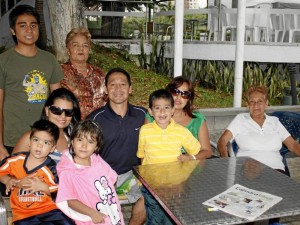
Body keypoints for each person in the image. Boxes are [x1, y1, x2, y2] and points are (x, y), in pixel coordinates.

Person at [0, 4, 63, 160]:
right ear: (13, 30)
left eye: (33, 25)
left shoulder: (49, 59)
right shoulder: (3, 61)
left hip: (44, 140)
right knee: (12, 183)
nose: (29, 30)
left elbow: (58, 104)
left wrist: (60, 137)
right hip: (11, 140)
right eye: (22, 25)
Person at [89, 67, 147, 225]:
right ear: (106, 89)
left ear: (130, 88)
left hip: (135, 176)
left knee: (150, 201)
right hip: (104, 177)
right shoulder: (95, 118)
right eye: (113, 84)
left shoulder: (143, 115)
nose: (118, 89)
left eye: (123, 84)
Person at [137, 89, 201, 225]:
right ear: (150, 111)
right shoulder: (145, 130)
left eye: (166, 108)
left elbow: (196, 149)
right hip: (152, 185)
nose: (162, 112)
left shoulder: (181, 132)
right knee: (154, 218)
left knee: (171, 218)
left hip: (174, 184)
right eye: (157, 108)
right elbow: (142, 156)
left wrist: (187, 157)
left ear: (172, 110)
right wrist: (144, 179)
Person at [0, 119, 74, 225]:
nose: (39, 146)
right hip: (23, 215)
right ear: (29, 142)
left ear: (52, 148)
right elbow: (1, 171)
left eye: (46, 143)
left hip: (50, 212)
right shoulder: (15, 160)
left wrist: (43, 187)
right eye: (36, 140)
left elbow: (61, 192)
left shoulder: (52, 168)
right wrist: (8, 180)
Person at [217, 85, 300, 174]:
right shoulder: (240, 119)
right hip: (248, 170)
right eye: (252, 102)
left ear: (266, 103)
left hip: (275, 170)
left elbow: (293, 145)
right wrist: (226, 161)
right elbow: (222, 141)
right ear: (247, 105)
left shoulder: (274, 122)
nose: (256, 105)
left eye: (260, 101)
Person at [56, 119, 124, 225]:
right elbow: (69, 199)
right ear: (72, 142)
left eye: (90, 142)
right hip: (90, 218)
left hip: (110, 212)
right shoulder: (68, 171)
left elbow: (111, 179)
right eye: (80, 140)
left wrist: (111, 201)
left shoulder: (97, 160)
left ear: (96, 146)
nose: (84, 145)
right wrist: (93, 214)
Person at [146, 76, 212, 159]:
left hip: (191, 168)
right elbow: (144, 148)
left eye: (185, 94)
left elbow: (207, 151)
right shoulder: (152, 116)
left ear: (189, 99)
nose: (179, 97)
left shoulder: (197, 120)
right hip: (158, 167)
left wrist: (191, 158)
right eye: (175, 92)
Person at [13, 88, 81, 163]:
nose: (63, 116)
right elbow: (8, 169)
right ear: (47, 111)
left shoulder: (75, 138)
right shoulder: (31, 137)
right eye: (57, 110)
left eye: (68, 112)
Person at [60, 27, 106, 119]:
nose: (81, 49)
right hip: (74, 126)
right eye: (75, 45)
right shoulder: (61, 72)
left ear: (89, 50)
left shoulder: (99, 73)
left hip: (100, 124)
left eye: (85, 45)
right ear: (68, 50)